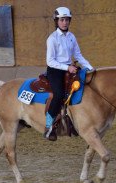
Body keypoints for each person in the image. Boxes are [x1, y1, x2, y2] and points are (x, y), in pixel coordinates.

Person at [44, 7, 94, 140]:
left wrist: (90, 68)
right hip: (55, 70)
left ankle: (73, 122)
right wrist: (67, 68)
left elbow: (78, 55)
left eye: (67, 20)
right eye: (62, 20)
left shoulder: (71, 37)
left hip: (69, 68)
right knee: (59, 94)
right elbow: (50, 61)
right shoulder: (52, 39)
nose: (64, 22)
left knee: (82, 88)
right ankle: (49, 125)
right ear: (57, 21)